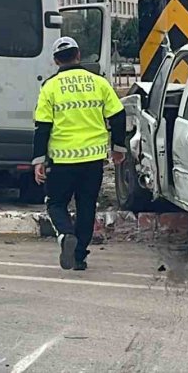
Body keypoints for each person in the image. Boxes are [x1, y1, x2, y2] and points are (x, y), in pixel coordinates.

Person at [32, 36, 126, 271]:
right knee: (87, 206)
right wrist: (118, 148)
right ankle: (80, 257)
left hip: (62, 160)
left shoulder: (49, 87)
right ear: (78, 55)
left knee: (55, 203)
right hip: (92, 159)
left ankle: (65, 234)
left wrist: (38, 160)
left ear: (55, 60)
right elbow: (118, 115)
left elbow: (42, 126)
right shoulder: (99, 83)